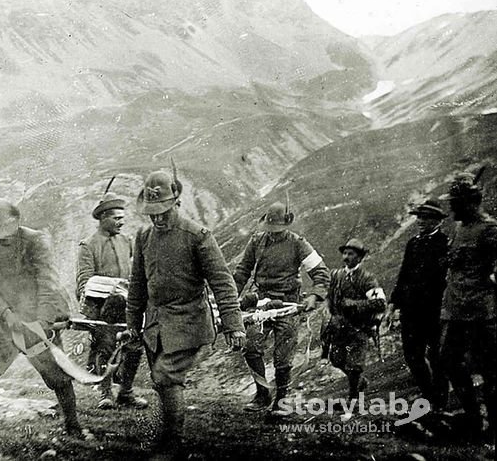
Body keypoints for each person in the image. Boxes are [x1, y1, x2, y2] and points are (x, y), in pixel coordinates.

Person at [125, 169, 246, 449]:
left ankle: (171, 445)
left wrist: (234, 324)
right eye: (151, 212)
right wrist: (133, 322)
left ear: (176, 202)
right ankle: (167, 436)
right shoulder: (144, 237)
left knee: (166, 376)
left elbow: (223, 283)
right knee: (163, 381)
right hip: (156, 325)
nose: (157, 218)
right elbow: (137, 285)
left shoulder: (198, 236)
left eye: (163, 211)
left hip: (189, 321)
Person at [0, 198, 91, 445]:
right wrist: (7, 315)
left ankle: (73, 425)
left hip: (37, 319)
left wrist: (42, 322)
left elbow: (46, 282)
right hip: (7, 320)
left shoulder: (35, 241)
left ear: (17, 223)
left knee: (57, 374)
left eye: (5, 235)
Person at [233, 201, 330, 412]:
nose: (274, 234)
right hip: (261, 303)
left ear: (287, 225)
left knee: (282, 357)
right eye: (270, 230)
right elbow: (242, 272)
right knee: (250, 347)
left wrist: (315, 296)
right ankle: (262, 394)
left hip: (288, 304)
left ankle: (281, 401)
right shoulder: (257, 242)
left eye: (278, 230)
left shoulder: (298, 244)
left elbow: (321, 273)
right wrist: (230, 298)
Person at [76, 190, 148, 410]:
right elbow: (83, 282)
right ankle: (105, 393)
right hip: (101, 309)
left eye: (122, 218)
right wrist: (104, 292)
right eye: (117, 218)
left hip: (128, 305)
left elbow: (135, 272)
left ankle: (126, 392)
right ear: (103, 218)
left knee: (134, 346)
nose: (121, 222)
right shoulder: (88, 245)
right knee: (105, 348)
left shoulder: (127, 241)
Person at [439, 172, 497, 441]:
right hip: (457, 310)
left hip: (480, 313)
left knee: (488, 369)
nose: (451, 208)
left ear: (469, 202)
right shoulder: (460, 228)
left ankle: (492, 427)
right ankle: (474, 417)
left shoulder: (489, 229)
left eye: (455, 202)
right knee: (449, 361)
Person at [384, 199, 449, 409]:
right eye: (419, 217)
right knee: (412, 356)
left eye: (426, 217)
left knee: (436, 357)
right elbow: (403, 276)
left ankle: (440, 402)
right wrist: (393, 304)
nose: (420, 221)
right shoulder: (413, 243)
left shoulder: (445, 243)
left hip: (433, 311)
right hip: (410, 311)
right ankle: (430, 396)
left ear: (437, 221)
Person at [324, 238, 386, 400]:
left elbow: (380, 303)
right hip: (339, 327)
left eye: (350, 254)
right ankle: (360, 382)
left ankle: (353, 399)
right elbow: (329, 296)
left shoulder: (366, 278)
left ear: (359, 257)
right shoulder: (337, 275)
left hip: (359, 327)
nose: (346, 257)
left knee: (354, 365)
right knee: (336, 359)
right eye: (344, 253)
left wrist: (356, 304)